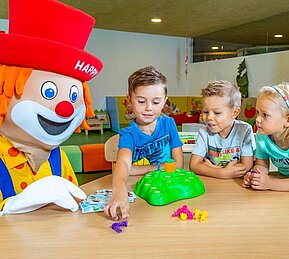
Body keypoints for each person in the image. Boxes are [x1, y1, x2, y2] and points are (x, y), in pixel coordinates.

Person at [0, 0, 103, 215]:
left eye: (74, 95)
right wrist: (11, 206)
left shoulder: (56, 156)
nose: (64, 108)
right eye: (49, 92)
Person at [105, 66, 184, 220]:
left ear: (164, 102)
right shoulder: (128, 134)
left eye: (156, 102)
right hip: (140, 192)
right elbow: (122, 164)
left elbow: (178, 164)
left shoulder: (169, 123)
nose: (148, 108)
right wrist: (119, 192)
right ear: (129, 100)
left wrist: (136, 169)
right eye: (141, 101)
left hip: (167, 190)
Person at [189, 80, 255, 179]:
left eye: (217, 113)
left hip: (237, 184)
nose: (209, 117)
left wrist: (212, 168)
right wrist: (222, 173)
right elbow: (194, 165)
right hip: (212, 183)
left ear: (235, 112)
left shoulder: (245, 130)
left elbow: (246, 166)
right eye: (206, 111)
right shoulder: (204, 133)